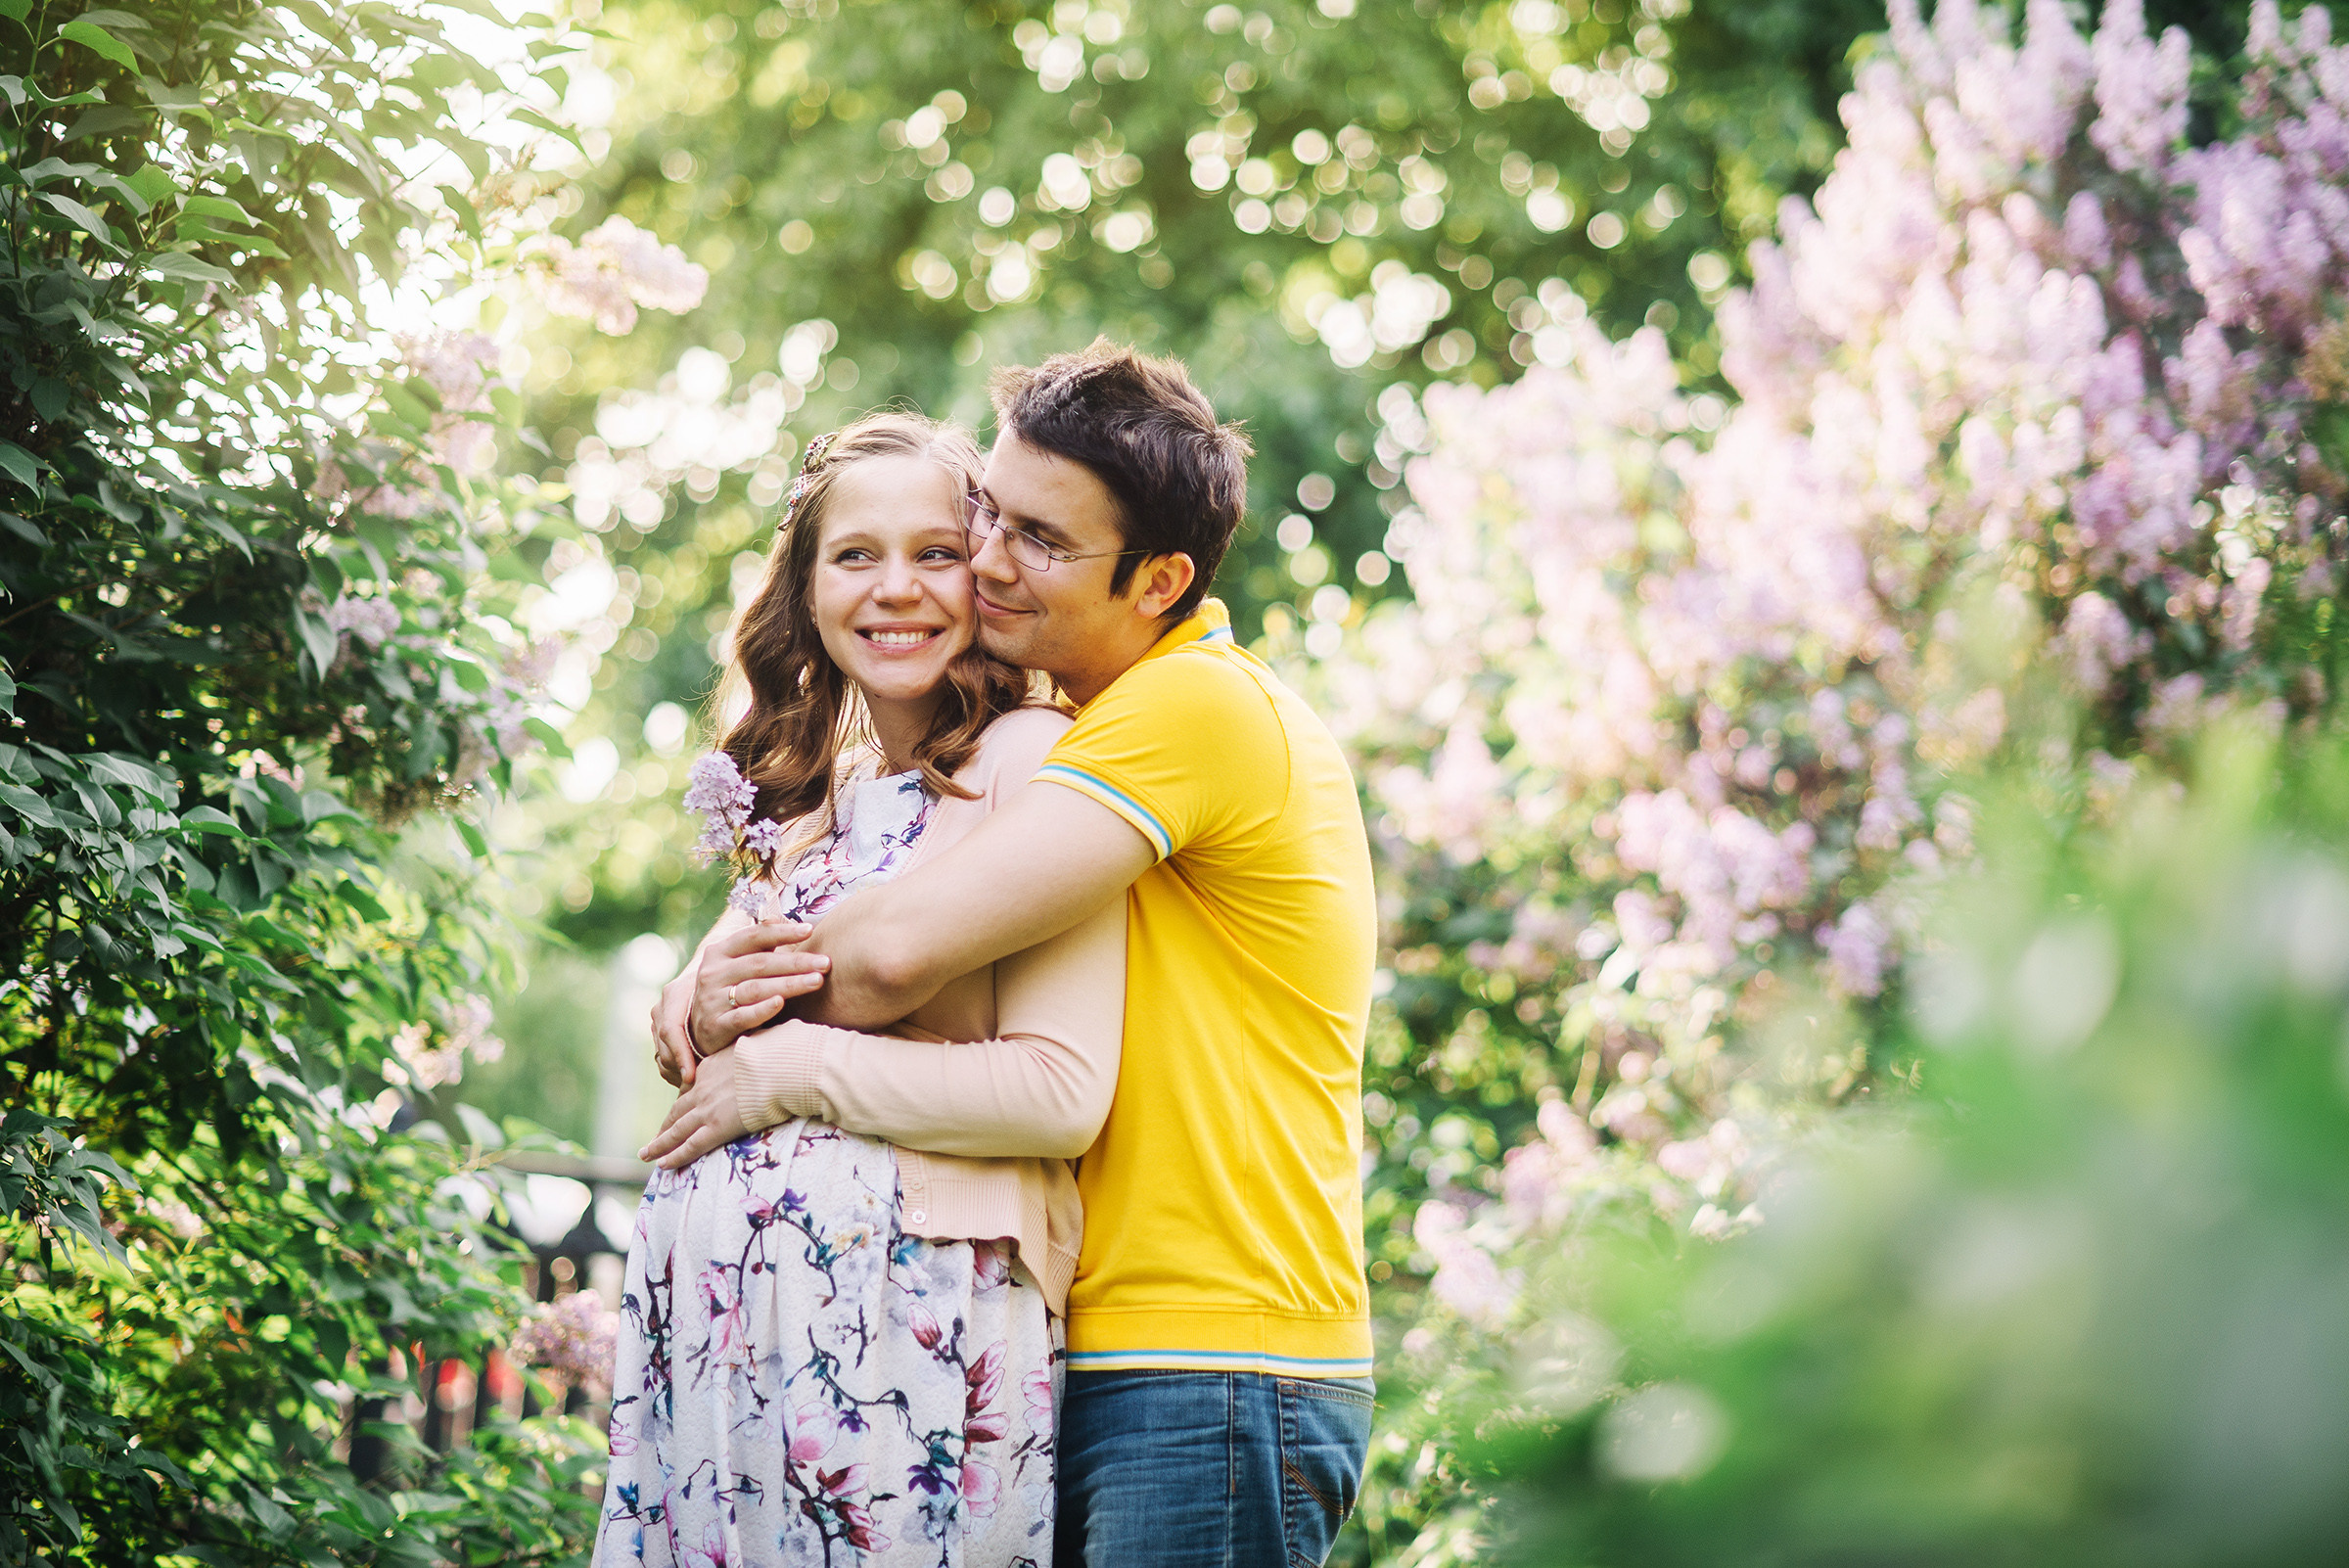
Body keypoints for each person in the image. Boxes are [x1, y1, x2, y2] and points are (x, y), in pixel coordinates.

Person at [648, 342, 1379, 1568]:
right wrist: (699, 979)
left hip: (1217, 1356)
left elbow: (890, 955)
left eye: (1036, 539)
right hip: (1126, 1342)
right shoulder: (1092, 726)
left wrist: (742, 1015)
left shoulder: (1179, 715)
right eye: (990, 513)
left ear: (1160, 582)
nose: (986, 561)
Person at [599, 412, 1126, 1567]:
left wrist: (790, 1072)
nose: (899, 590)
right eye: (856, 555)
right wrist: (696, 1001)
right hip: (729, 1359)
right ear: (808, 587)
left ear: (987, 571)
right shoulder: (812, 807)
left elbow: (1055, 1093)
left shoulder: (1035, 764)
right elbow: (705, 1046)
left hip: (904, 1344)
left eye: (937, 552)